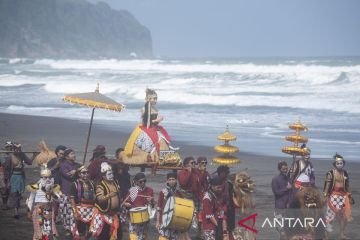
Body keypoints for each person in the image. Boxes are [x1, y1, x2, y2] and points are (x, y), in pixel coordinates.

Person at [26, 165, 62, 240]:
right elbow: (31, 199)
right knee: (38, 230)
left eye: (49, 177)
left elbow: (59, 199)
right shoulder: (35, 187)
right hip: (38, 211)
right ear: (41, 178)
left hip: (49, 211)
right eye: (45, 177)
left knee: (48, 230)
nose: (48, 179)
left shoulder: (53, 188)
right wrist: (29, 211)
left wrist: (51, 192)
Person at [323, 153, 353, 239]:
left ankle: (342, 234)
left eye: (341, 163)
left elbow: (347, 185)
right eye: (338, 163)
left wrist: (349, 196)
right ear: (335, 164)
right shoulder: (331, 173)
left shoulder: (345, 173)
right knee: (330, 217)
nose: (340, 164)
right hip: (333, 197)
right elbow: (327, 185)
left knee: (343, 217)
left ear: (343, 163)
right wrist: (325, 196)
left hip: (343, 197)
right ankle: (327, 236)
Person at [3, 141, 34, 218]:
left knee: (19, 194)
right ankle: (15, 212)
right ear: (13, 149)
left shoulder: (22, 155)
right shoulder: (10, 157)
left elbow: (29, 162)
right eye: (16, 149)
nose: (17, 150)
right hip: (13, 177)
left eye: (19, 149)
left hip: (21, 177)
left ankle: (16, 208)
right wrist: (7, 180)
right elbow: (6, 170)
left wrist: (34, 155)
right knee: (14, 194)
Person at [91, 162, 121, 240]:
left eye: (112, 174)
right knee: (104, 235)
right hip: (104, 214)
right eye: (109, 174)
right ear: (104, 176)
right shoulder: (100, 186)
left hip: (114, 213)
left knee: (117, 234)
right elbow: (100, 199)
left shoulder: (115, 183)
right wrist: (109, 195)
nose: (112, 176)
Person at [124, 172, 154, 240]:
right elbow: (126, 202)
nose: (143, 183)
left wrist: (151, 201)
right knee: (134, 237)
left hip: (145, 218)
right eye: (141, 181)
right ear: (136, 182)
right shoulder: (132, 191)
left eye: (144, 181)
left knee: (143, 237)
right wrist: (127, 204)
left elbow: (152, 205)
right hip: (134, 219)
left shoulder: (150, 190)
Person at [70, 165, 96, 240]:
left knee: (91, 230)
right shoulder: (75, 184)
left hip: (91, 209)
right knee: (81, 230)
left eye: (87, 172)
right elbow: (72, 199)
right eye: (83, 173)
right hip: (80, 209)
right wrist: (75, 212)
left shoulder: (92, 183)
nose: (86, 174)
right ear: (79, 174)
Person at [59, 148, 80, 236]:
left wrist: (75, 171)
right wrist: (76, 172)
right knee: (65, 212)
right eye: (72, 154)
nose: (74, 155)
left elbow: (84, 172)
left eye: (74, 153)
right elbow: (68, 176)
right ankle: (67, 229)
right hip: (66, 192)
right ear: (67, 157)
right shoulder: (63, 165)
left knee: (75, 211)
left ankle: (74, 229)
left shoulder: (77, 165)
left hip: (76, 192)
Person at [156, 172, 183, 240]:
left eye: (173, 179)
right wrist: (158, 221)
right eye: (170, 179)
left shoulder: (178, 193)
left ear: (176, 180)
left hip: (175, 222)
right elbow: (159, 208)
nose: (171, 181)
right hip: (164, 220)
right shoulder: (163, 192)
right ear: (167, 181)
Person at [271, 161, 291, 239]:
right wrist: (287, 188)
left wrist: (289, 202)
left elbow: (291, 193)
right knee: (281, 231)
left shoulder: (289, 179)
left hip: (288, 208)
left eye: (286, 168)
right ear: (279, 169)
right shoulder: (275, 179)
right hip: (279, 208)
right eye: (283, 168)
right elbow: (276, 192)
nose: (285, 170)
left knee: (287, 231)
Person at [217, 165, 235, 235]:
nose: (227, 174)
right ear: (221, 173)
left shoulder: (229, 183)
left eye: (227, 172)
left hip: (229, 207)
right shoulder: (217, 183)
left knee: (229, 226)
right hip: (221, 207)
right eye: (226, 172)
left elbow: (232, 195)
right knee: (220, 223)